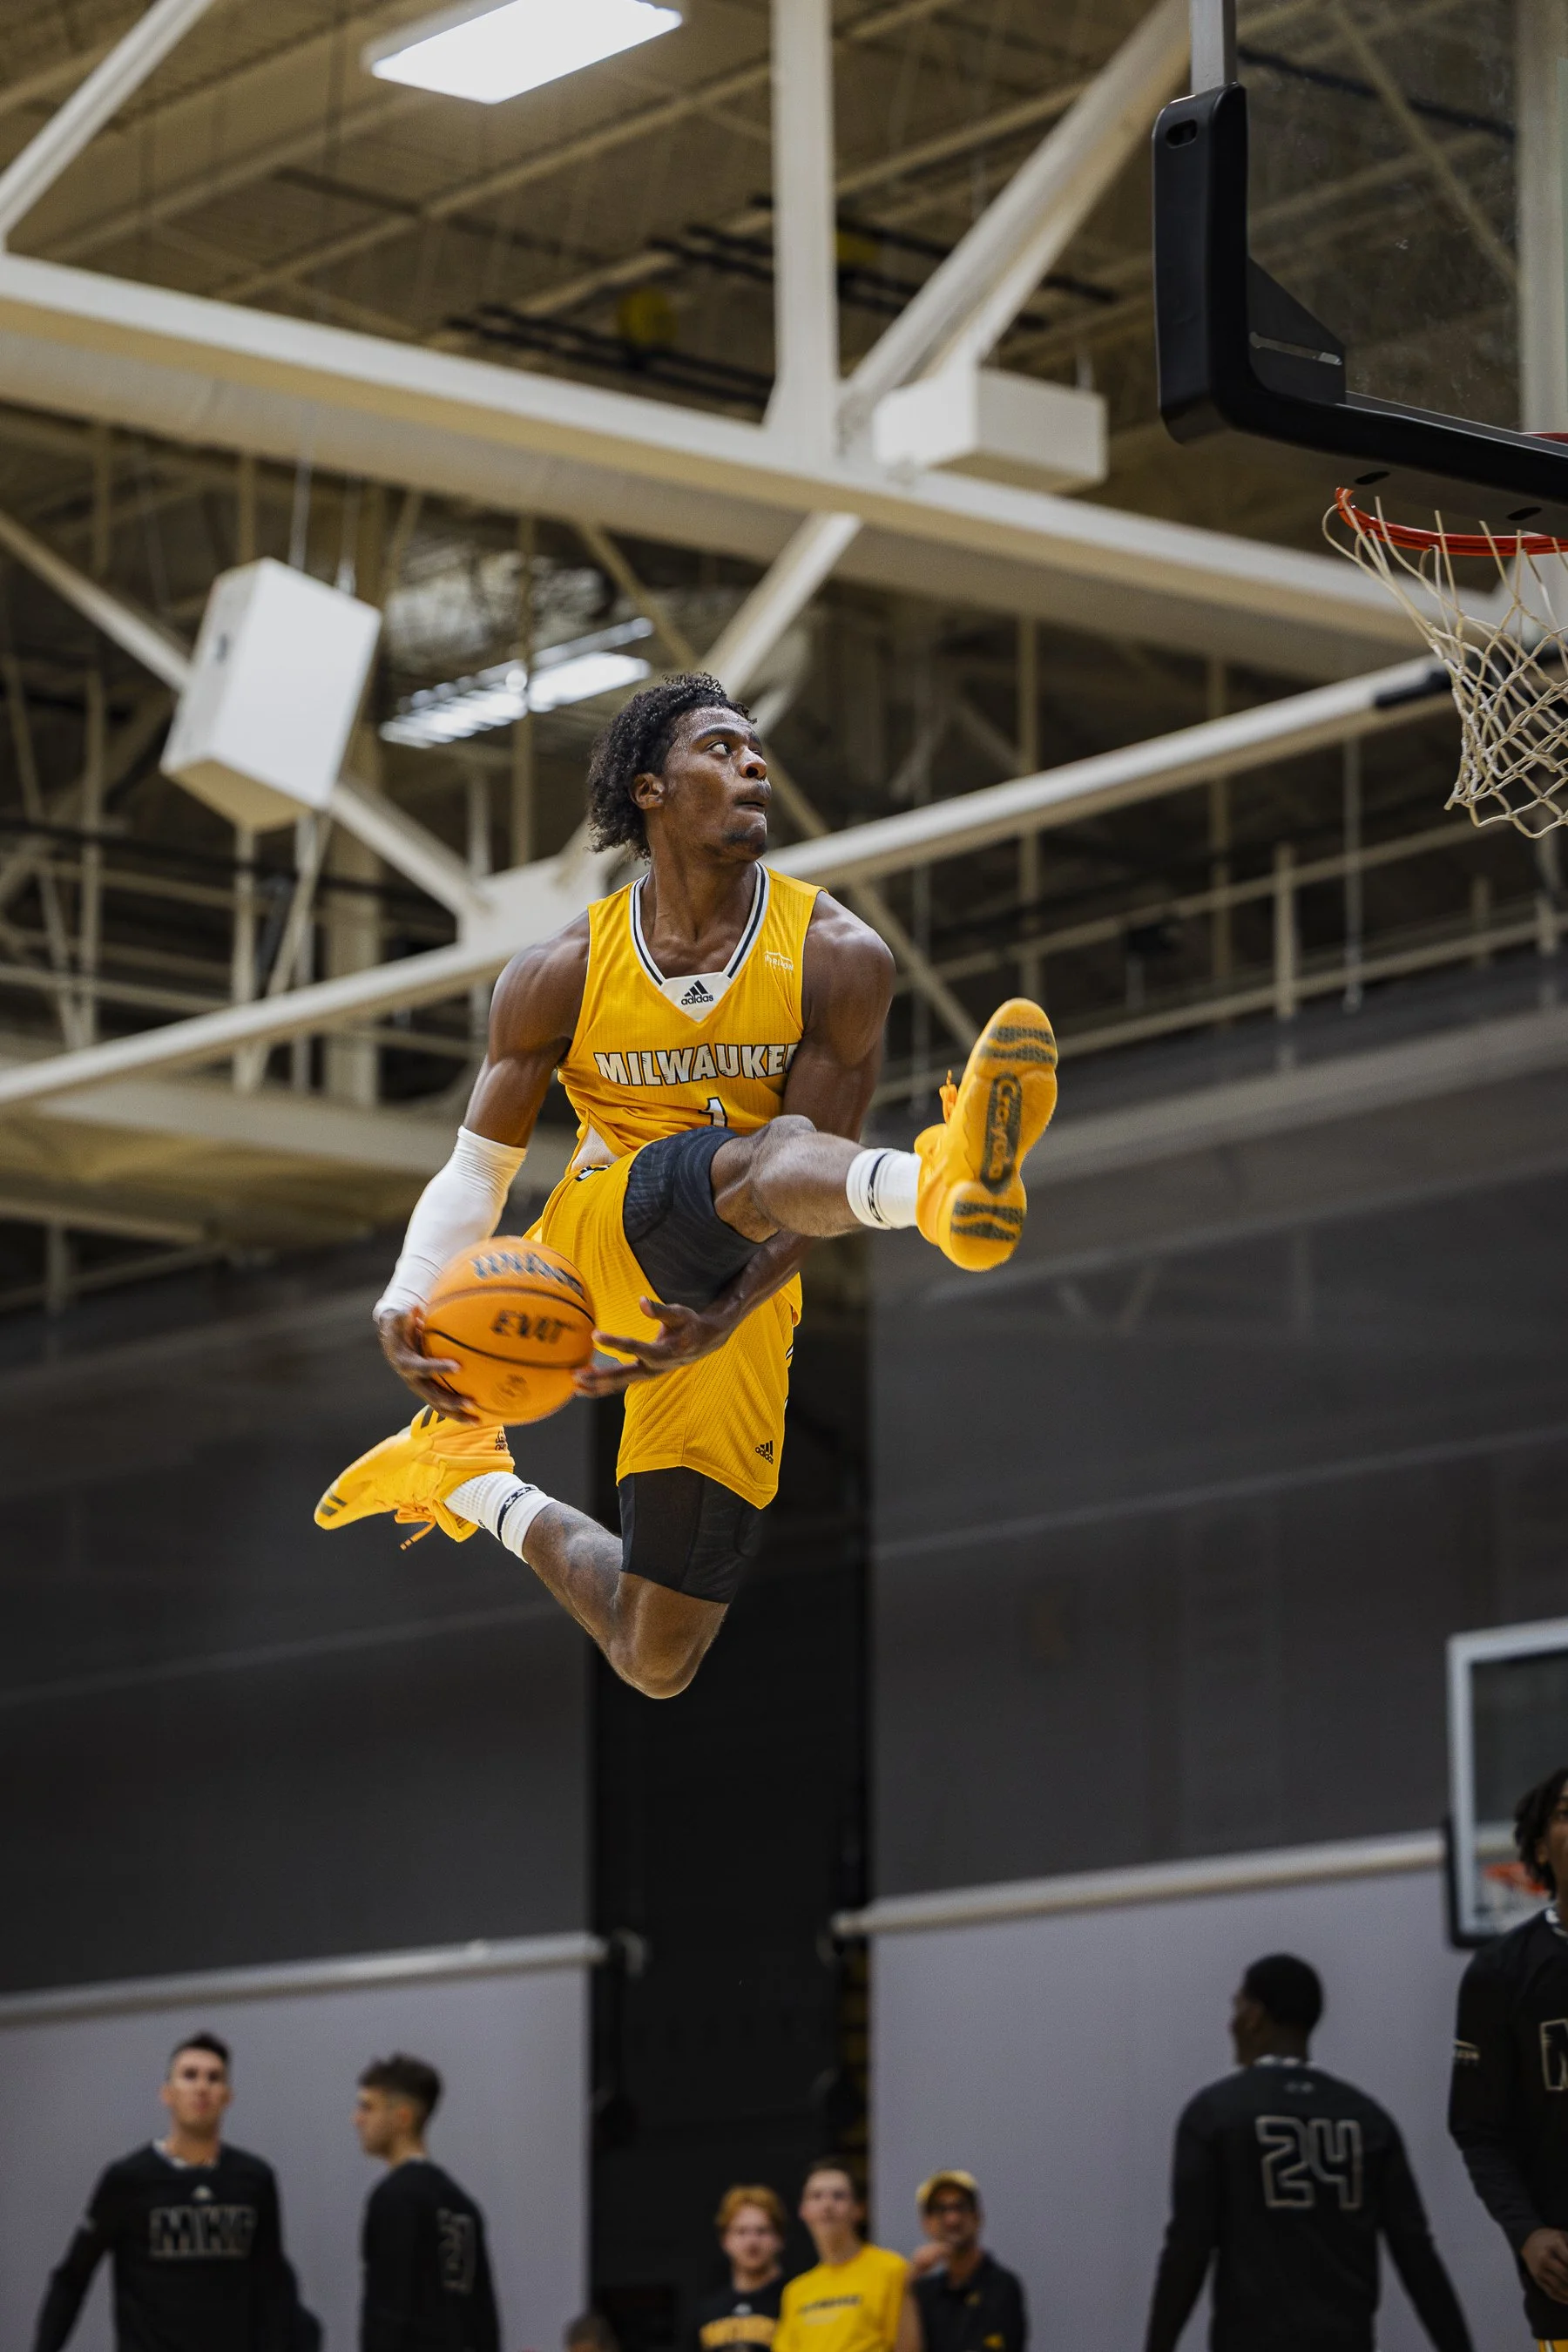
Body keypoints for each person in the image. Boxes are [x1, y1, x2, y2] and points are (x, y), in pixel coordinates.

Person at [315, 673, 1058, 1700]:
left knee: (655, 1653)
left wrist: (731, 1308)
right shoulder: (564, 968)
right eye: (720, 747)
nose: (754, 764)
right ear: (648, 789)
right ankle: (940, 1181)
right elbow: (478, 1167)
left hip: (739, 1285)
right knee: (755, 1151)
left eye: (757, 749)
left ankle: (466, 1478)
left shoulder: (839, 955)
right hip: (598, 1232)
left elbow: (818, 1188)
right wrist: (409, 1291)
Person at [1144, 1954, 1471, 2352]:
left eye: (1237, 2007)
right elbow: (1416, 2253)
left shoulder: (1214, 2114)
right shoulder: (1367, 2119)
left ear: (1254, 2015)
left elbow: (1188, 2248)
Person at [33, 2030, 318, 2352]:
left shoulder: (254, 2179)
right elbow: (73, 2277)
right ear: (166, 2093)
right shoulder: (128, 2179)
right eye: (189, 2076)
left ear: (227, 2096)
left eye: (214, 2078)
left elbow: (272, 2285)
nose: (201, 2087)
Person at [1450, 1764, 1568, 2347]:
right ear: (1541, 1848)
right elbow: (1478, 2130)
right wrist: (1527, 2233)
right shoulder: (1500, 1974)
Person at [354, 2051, 500, 2352]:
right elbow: (484, 2319)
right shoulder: (463, 2207)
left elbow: (389, 2312)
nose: (357, 2119)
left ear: (402, 2117)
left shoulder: (394, 2198)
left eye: (368, 2107)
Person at [774, 2157, 917, 2352]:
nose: (827, 2205)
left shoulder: (892, 2269)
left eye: (838, 2196)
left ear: (858, 2209)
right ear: (803, 2211)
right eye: (816, 2196)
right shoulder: (795, 2291)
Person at [909, 2172, 1025, 2352]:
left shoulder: (1002, 2287)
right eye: (941, 2210)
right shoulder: (922, 2292)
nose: (952, 2219)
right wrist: (911, 2277)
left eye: (960, 2207)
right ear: (927, 2223)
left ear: (978, 2217)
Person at [693, 2185, 790, 2352]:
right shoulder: (706, 2311)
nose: (752, 2242)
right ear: (725, 2240)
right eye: (741, 2231)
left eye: (762, 2231)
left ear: (779, 2238)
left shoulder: (797, 2299)